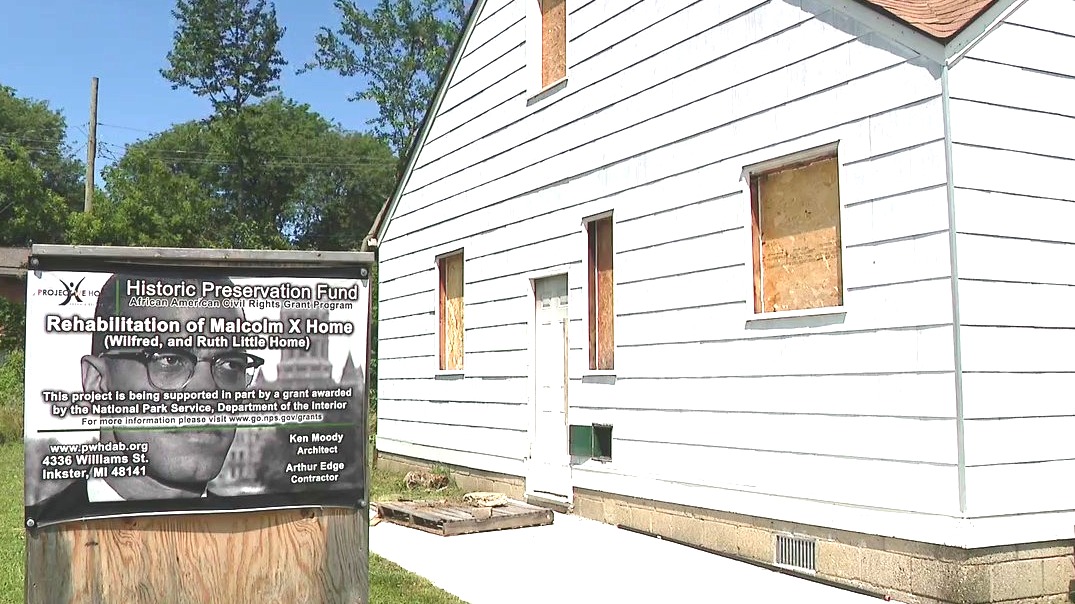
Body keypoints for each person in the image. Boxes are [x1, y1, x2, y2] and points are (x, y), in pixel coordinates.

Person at [30, 273, 263, 520]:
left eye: (231, 365)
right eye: (170, 360)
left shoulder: (260, 530)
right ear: (98, 382)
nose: (207, 394)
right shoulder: (51, 529)